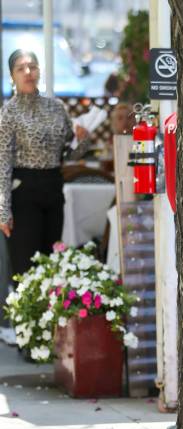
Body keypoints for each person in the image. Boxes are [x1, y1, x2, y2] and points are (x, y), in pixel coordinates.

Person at [0, 50, 90, 279]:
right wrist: (3, 210)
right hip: (24, 191)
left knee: (51, 266)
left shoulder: (56, 107)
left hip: (53, 187)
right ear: (12, 76)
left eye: (32, 66)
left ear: (39, 70)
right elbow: (3, 163)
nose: (28, 73)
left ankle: (49, 315)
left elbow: (69, 154)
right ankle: (26, 315)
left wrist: (83, 139)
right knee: (26, 268)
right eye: (21, 68)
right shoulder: (8, 112)